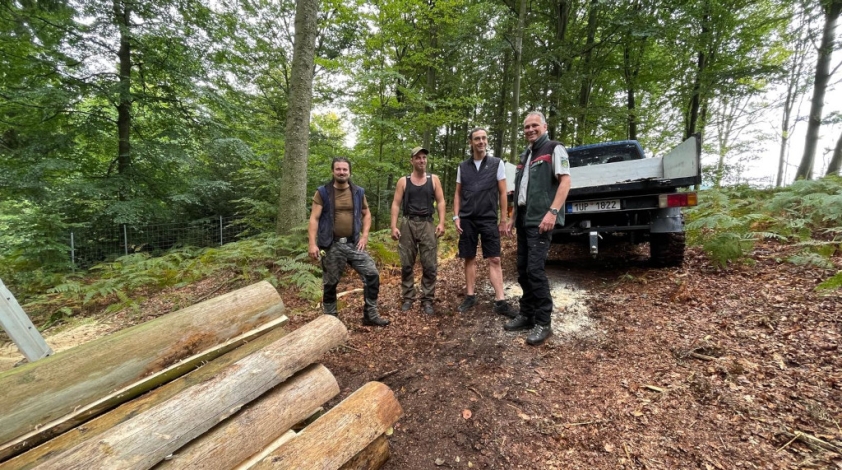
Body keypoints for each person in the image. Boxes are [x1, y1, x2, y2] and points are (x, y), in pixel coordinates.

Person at [505, 111, 571, 345]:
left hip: (541, 220)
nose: (530, 130)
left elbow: (565, 181)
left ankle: (544, 322)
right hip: (524, 218)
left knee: (534, 270)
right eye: (526, 127)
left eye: (534, 125)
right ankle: (527, 314)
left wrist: (552, 212)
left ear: (544, 126)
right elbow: (520, 190)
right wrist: (512, 218)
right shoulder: (526, 154)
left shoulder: (554, 149)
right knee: (522, 268)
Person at [308, 157, 389, 327]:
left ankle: (370, 315)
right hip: (332, 245)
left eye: (345, 169)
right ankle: (330, 321)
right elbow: (314, 218)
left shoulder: (358, 192)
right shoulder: (323, 192)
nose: (342, 172)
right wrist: (312, 243)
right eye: (338, 169)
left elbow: (367, 213)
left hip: (354, 243)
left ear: (349, 172)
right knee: (330, 282)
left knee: (372, 274)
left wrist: (365, 235)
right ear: (333, 171)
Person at [452, 128, 517, 317]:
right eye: (477, 139)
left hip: (489, 218)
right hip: (467, 219)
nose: (481, 141)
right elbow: (457, 193)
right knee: (469, 257)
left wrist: (503, 219)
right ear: (471, 142)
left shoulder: (497, 164)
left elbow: (503, 193)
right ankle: (470, 296)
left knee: (494, 258)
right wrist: (456, 216)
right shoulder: (463, 167)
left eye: (484, 138)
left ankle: (500, 300)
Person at [390, 146, 446, 315]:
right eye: (418, 158)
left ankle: (427, 299)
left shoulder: (434, 180)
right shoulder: (403, 181)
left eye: (424, 158)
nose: (422, 161)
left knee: (429, 264)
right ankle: (408, 297)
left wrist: (442, 222)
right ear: (412, 161)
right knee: (407, 263)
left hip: (427, 224)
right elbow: (396, 204)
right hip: (408, 223)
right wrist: (393, 226)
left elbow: (441, 201)